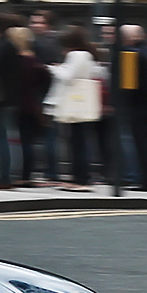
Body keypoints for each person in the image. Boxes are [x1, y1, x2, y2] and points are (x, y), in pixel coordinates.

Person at [44, 25, 102, 189]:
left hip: (75, 103)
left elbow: (68, 76)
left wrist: (53, 68)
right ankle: (81, 177)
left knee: (77, 142)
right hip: (82, 102)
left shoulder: (76, 55)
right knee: (80, 140)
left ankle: (80, 179)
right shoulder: (88, 55)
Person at [118, 24, 147, 191]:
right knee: (146, 143)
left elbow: (128, 86)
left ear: (128, 38)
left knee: (141, 143)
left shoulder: (130, 54)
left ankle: (146, 181)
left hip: (137, 106)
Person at [10, 26, 50, 187]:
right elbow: (45, 82)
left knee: (20, 141)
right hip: (33, 105)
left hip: (18, 105)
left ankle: (22, 174)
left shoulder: (16, 62)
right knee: (28, 141)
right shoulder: (36, 62)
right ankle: (27, 173)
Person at [0, 13, 24, 188]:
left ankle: (4, 176)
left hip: (0, 99)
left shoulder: (2, 47)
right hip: (10, 97)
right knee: (5, 137)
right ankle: (6, 174)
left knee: (1, 137)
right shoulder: (12, 46)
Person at [29, 9, 62, 182]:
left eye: (39, 22)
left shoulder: (48, 42)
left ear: (49, 25)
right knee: (46, 134)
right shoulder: (40, 40)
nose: (34, 25)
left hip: (46, 93)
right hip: (43, 92)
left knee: (49, 134)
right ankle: (48, 170)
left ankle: (51, 171)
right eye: (33, 22)